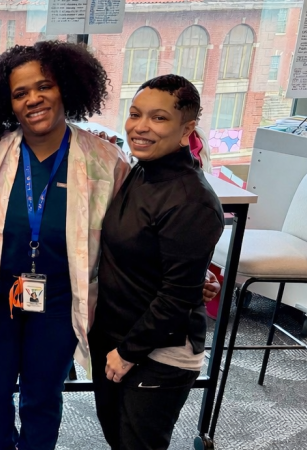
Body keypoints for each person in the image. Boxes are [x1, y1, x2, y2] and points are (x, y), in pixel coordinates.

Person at [0, 41, 130, 450]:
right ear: (9, 102)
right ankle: (3, 444)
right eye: (20, 93)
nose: (33, 99)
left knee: (42, 396)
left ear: (66, 89)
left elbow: (132, 237)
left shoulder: (105, 162)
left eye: (44, 87)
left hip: (59, 298)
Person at [90, 74, 223, 450]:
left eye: (159, 118)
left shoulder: (191, 199)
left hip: (156, 353)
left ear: (187, 130)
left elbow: (177, 297)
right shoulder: (142, 171)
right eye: (135, 114)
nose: (141, 127)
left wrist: (128, 353)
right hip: (119, 337)